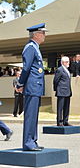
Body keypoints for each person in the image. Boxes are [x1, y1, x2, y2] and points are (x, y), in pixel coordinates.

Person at [16, 23, 47, 151]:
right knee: (30, 115)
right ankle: (28, 143)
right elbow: (26, 68)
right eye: (43, 33)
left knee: (34, 115)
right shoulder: (30, 47)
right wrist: (20, 83)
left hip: (36, 86)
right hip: (32, 86)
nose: (45, 35)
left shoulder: (35, 47)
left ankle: (33, 141)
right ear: (36, 34)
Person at [53, 56, 72, 126]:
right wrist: (56, 89)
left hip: (67, 91)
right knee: (60, 108)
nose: (68, 63)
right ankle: (59, 121)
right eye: (67, 62)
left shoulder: (67, 70)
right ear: (63, 62)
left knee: (67, 107)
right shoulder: (60, 70)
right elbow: (55, 80)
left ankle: (65, 121)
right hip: (61, 91)